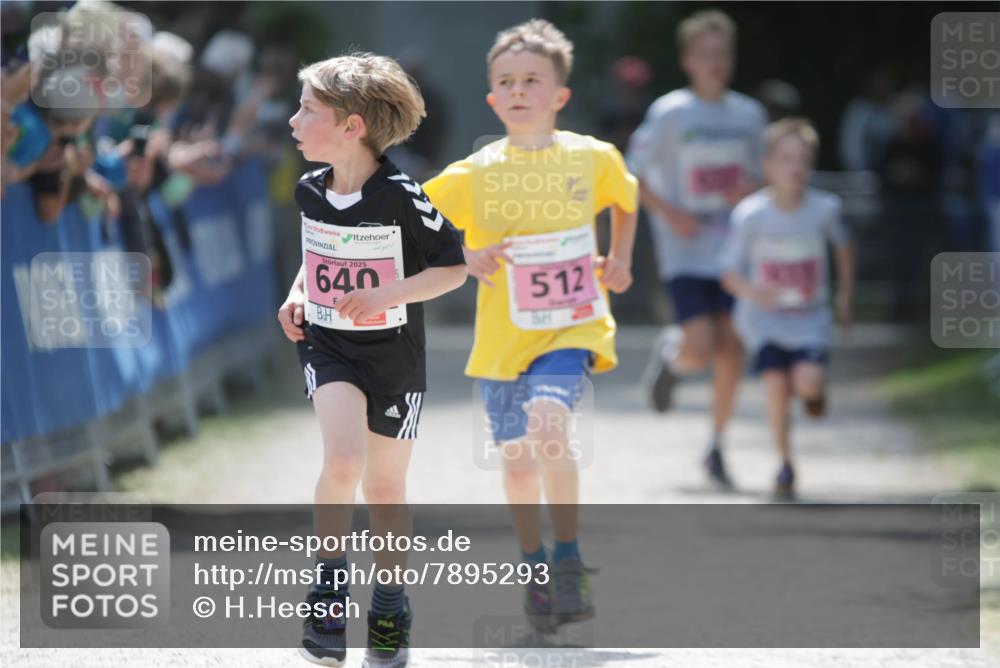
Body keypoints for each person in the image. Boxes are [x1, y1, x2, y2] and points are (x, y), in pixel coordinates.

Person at [423, 19, 638, 631]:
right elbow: (416, 218)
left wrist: (620, 257)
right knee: (518, 463)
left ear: (559, 95)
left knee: (549, 425)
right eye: (507, 82)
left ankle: (567, 556)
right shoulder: (476, 171)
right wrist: (465, 254)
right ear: (493, 98)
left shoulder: (593, 157)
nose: (518, 90)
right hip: (503, 339)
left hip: (573, 326)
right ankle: (534, 566)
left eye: (532, 80)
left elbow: (626, 198)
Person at [277, 53, 467, 668]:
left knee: (384, 487)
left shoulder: (402, 195)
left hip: (393, 359)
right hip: (328, 343)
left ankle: (389, 606)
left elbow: (453, 268)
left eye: (308, 109)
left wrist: (388, 295)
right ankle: (328, 595)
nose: (293, 121)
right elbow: (316, 255)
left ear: (351, 126)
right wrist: (297, 293)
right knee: (342, 458)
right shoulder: (310, 189)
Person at [626, 9, 766, 487]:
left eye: (722, 52)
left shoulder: (749, 115)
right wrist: (671, 214)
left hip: (734, 251)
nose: (715, 62)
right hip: (685, 250)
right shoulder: (670, 112)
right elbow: (633, 174)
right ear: (687, 60)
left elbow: (766, 176)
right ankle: (673, 356)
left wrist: (751, 189)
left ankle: (717, 445)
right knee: (700, 348)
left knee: (732, 348)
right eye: (705, 53)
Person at [719, 118, 855, 499]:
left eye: (803, 160)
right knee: (776, 387)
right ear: (767, 166)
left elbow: (844, 247)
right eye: (786, 159)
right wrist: (754, 291)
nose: (795, 168)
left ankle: (813, 392)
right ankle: (784, 464)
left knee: (807, 381)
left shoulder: (825, 209)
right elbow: (728, 273)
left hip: (809, 318)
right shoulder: (751, 215)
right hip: (765, 320)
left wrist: (844, 296)